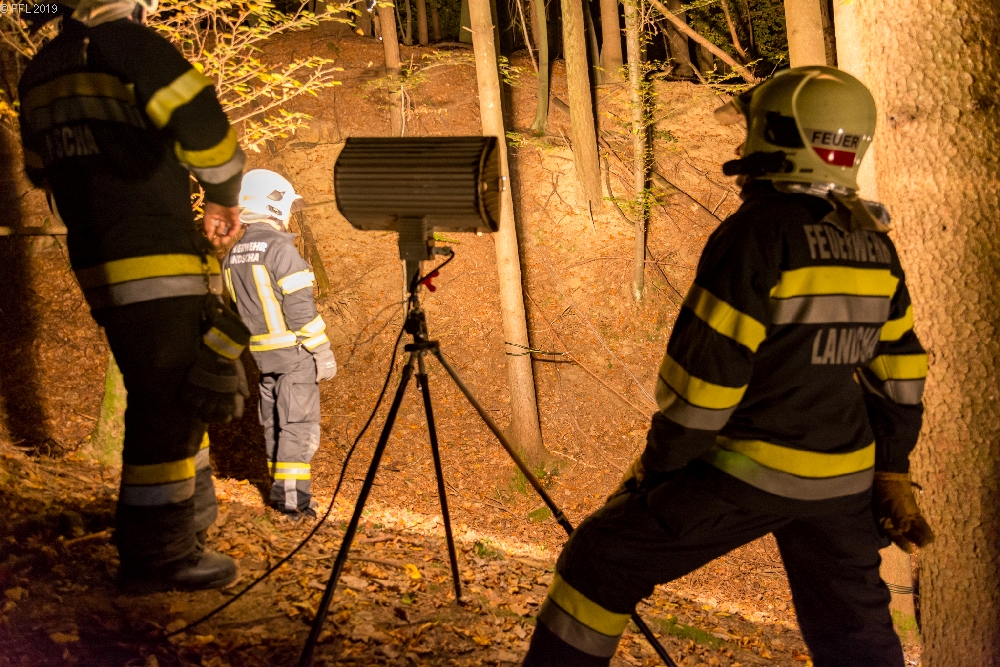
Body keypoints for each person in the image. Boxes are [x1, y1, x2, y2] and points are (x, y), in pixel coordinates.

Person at [522, 66, 934, 667]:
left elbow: (702, 387)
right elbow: (901, 372)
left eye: (752, 130)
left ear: (783, 136)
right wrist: (891, 468)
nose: (741, 145)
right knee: (855, 633)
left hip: (748, 471)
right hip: (845, 479)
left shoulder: (754, 236)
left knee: (599, 561)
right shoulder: (872, 243)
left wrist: (660, 470)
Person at [18, 0, 249, 592]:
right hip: (158, 256)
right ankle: (159, 555)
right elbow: (212, 140)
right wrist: (222, 196)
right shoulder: (138, 50)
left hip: (98, 265)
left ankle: (189, 522)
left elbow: (38, 169)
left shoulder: (41, 70)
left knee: (170, 392)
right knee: (167, 403)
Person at [223, 170, 337, 520]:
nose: (289, 214)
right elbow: (300, 311)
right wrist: (322, 351)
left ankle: (281, 496)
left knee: (275, 427)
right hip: (294, 356)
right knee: (298, 431)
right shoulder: (280, 249)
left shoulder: (234, 255)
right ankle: (292, 504)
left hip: (262, 358)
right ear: (273, 203)